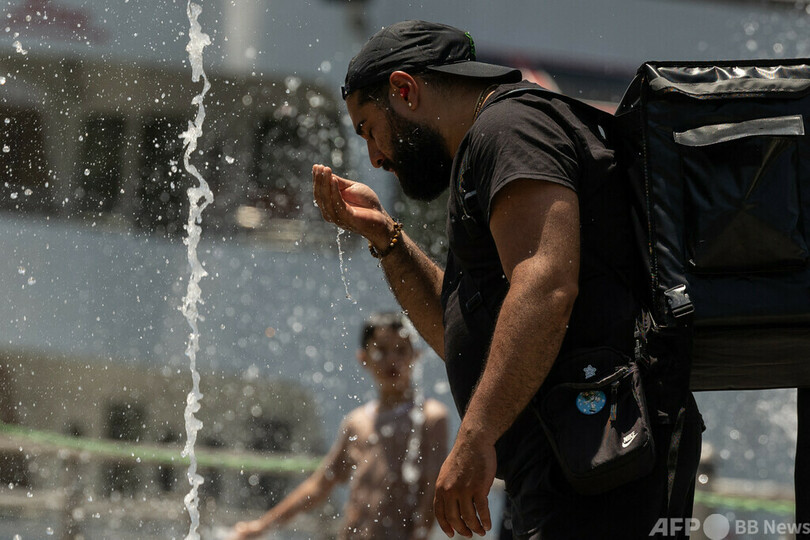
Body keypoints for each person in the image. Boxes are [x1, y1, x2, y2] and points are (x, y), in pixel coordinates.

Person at [312, 20, 704, 539]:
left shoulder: (510, 129)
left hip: (603, 460)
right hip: (568, 464)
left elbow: (546, 286)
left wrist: (474, 438)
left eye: (368, 129)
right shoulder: (488, 145)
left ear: (404, 90)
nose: (375, 157)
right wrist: (387, 239)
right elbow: (460, 337)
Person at [228, 312, 448, 540]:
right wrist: (261, 526)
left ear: (417, 356)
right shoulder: (357, 422)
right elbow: (320, 485)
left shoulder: (430, 418)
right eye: (381, 350)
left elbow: (432, 492)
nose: (392, 359)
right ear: (363, 358)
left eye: (401, 350)